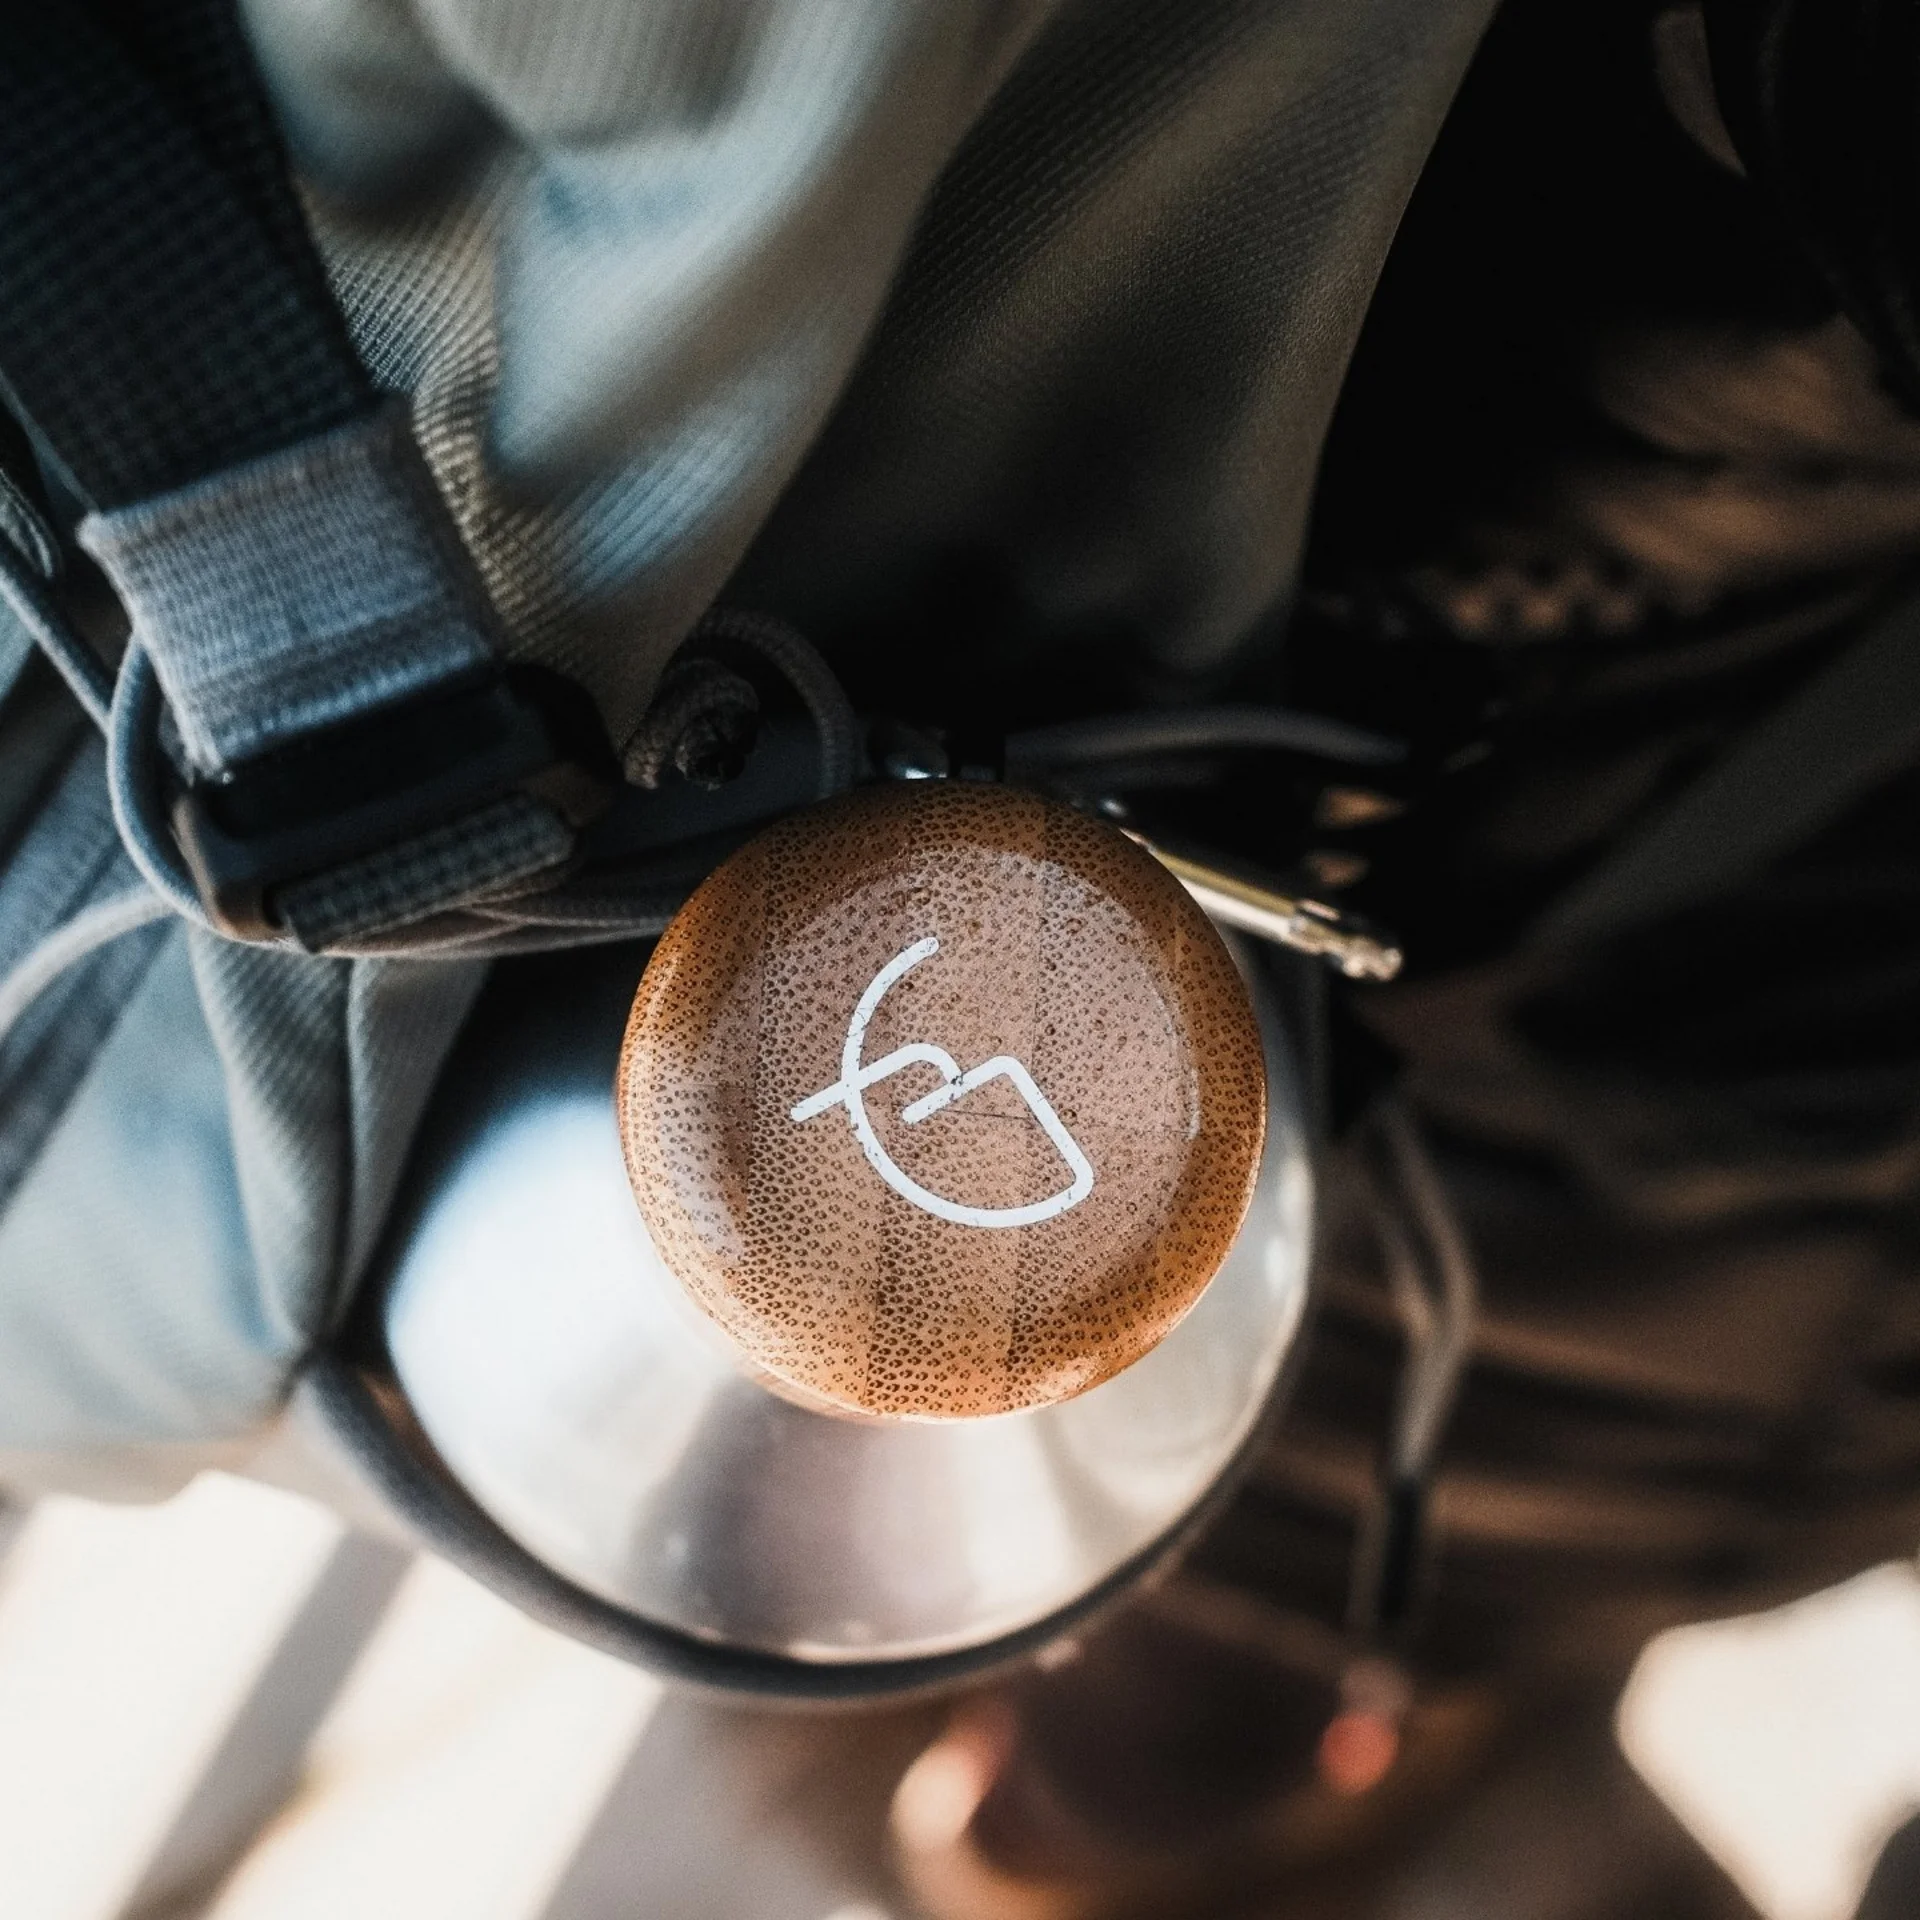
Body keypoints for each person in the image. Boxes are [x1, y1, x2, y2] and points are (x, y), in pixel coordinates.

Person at [1, 2, 1916, 1913]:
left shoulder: (1820, 1507)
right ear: (988, 1726)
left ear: (1365, 1751)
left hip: (1604, 432)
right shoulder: (882, 1505)